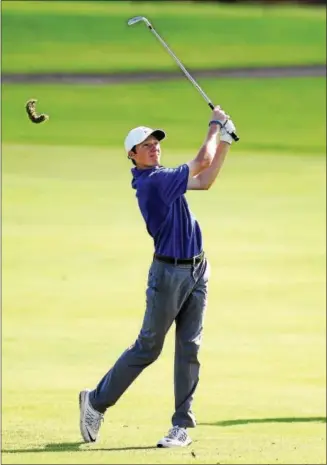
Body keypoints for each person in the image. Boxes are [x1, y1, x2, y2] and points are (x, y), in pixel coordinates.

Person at [79, 105, 236, 448]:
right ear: (132, 155)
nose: (154, 147)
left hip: (197, 270)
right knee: (148, 348)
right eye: (146, 144)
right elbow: (201, 163)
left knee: (190, 348)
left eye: (156, 142)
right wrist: (214, 127)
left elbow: (206, 182)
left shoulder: (164, 177)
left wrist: (225, 141)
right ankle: (96, 401)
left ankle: (181, 426)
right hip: (168, 275)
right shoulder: (152, 183)